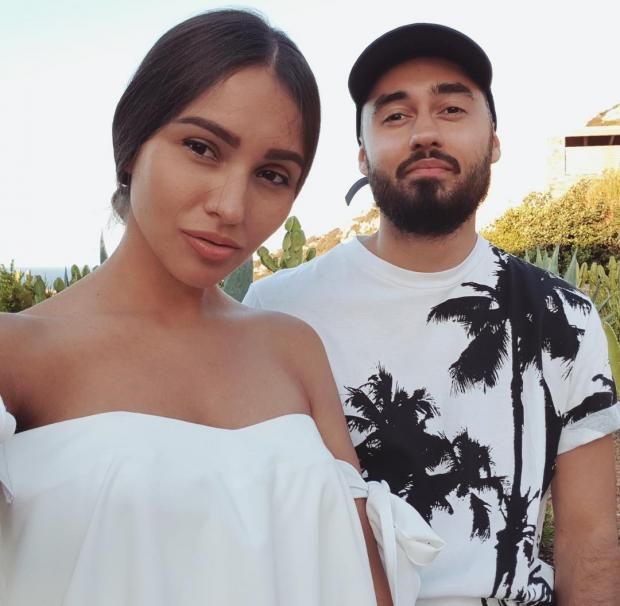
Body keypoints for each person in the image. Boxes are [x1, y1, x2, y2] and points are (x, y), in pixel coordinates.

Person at [0, 11, 444, 606]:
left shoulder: (292, 348)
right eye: (201, 148)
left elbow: (364, 576)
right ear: (131, 145)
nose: (232, 207)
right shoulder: (18, 354)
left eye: (272, 174)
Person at [244, 22, 620, 606]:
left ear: (494, 140)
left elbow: (588, 538)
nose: (424, 133)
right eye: (395, 115)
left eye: (451, 109)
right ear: (363, 154)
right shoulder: (276, 311)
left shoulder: (562, 317)